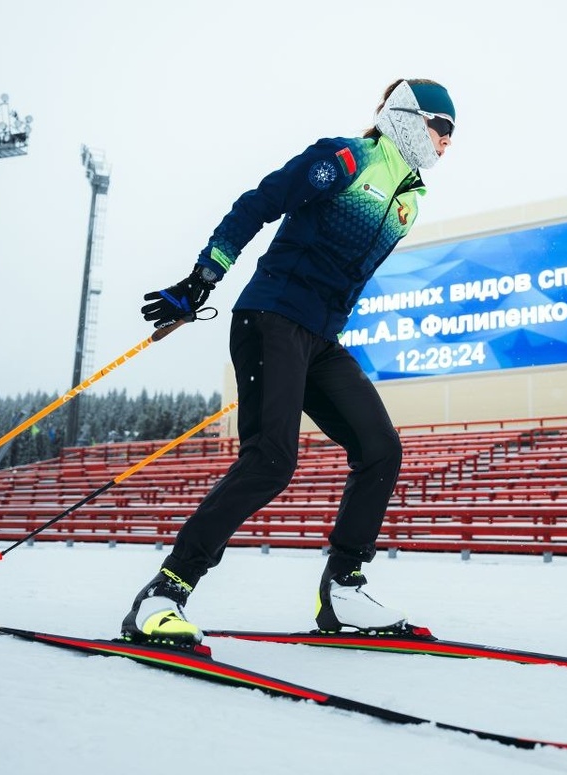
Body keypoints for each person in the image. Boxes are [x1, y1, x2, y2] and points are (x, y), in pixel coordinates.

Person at [121, 79, 456, 647]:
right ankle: (164, 593)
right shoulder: (345, 159)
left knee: (380, 449)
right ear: (406, 117)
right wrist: (205, 276)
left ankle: (344, 590)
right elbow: (259, 203)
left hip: (318, 340)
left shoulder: (409, 201)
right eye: (440, 126)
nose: (447, 140)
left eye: (453, 133)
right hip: (270, 319)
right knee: (272, 460)